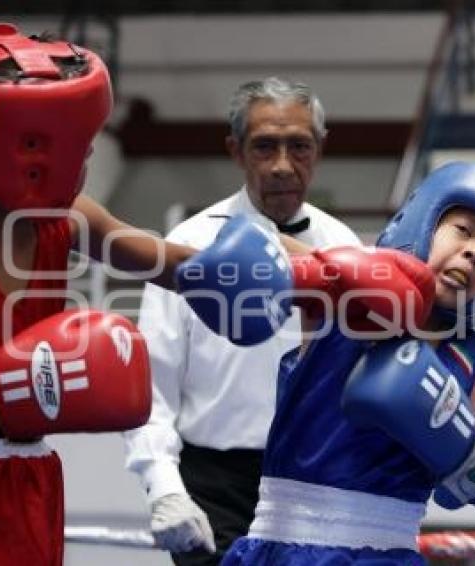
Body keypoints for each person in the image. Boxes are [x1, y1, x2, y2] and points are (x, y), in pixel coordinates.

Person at [0, 24, 295, 566]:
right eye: (77, 143)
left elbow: (170, 265)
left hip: (28, 471)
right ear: (26, 147)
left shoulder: (65, 218)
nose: (85, 157)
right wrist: (4, 393)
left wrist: (290, 273)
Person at [221, 161, 475, 565]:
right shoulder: (348, 292)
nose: (474, 253)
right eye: (463, 230)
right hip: (279, 545)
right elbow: (259, 246)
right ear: (423, 221)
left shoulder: (471, 361)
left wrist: (455, 444)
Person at [123, 76, 363, 565]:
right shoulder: (187, 246)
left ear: (318, 150)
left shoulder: (347, 249)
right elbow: (152, 385)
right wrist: (162, 486)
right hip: (216, 484)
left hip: (315, 481)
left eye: (298, 147)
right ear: (236, 151)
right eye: (264, 147)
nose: (281, 166)